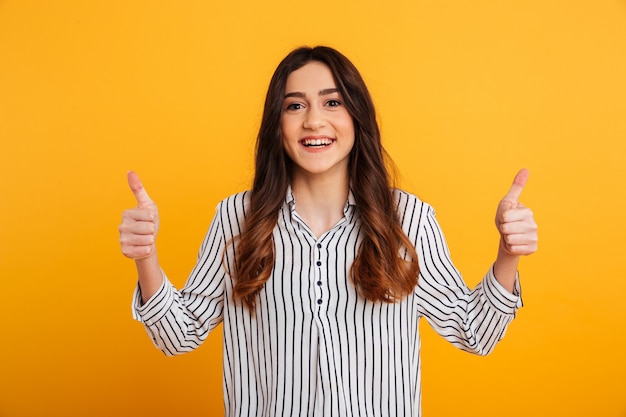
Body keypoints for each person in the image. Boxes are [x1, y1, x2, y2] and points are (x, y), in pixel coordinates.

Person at [119, 46, 538, 417]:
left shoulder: (408, 220)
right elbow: (178, 335)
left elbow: (474, 332)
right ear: (276, 124)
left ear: (357, 118)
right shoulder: (237, 219)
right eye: (295, 106)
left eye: (332, 102)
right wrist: (146, 257)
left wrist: (507, 253)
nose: (314, 121)